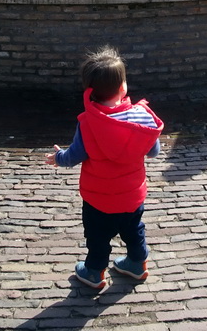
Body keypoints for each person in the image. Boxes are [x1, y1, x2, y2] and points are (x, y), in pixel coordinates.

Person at [45, 47, 164, 290]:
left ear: (89, 91)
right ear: (123, 87)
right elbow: (154, 151)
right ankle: (137, 264)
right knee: (134, 229)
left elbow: (74, 156)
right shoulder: (141, 117)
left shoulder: (89, 123)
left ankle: (94, 272)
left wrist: (57, 157)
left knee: (97, 236)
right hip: (131, 194)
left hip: (98, 197)